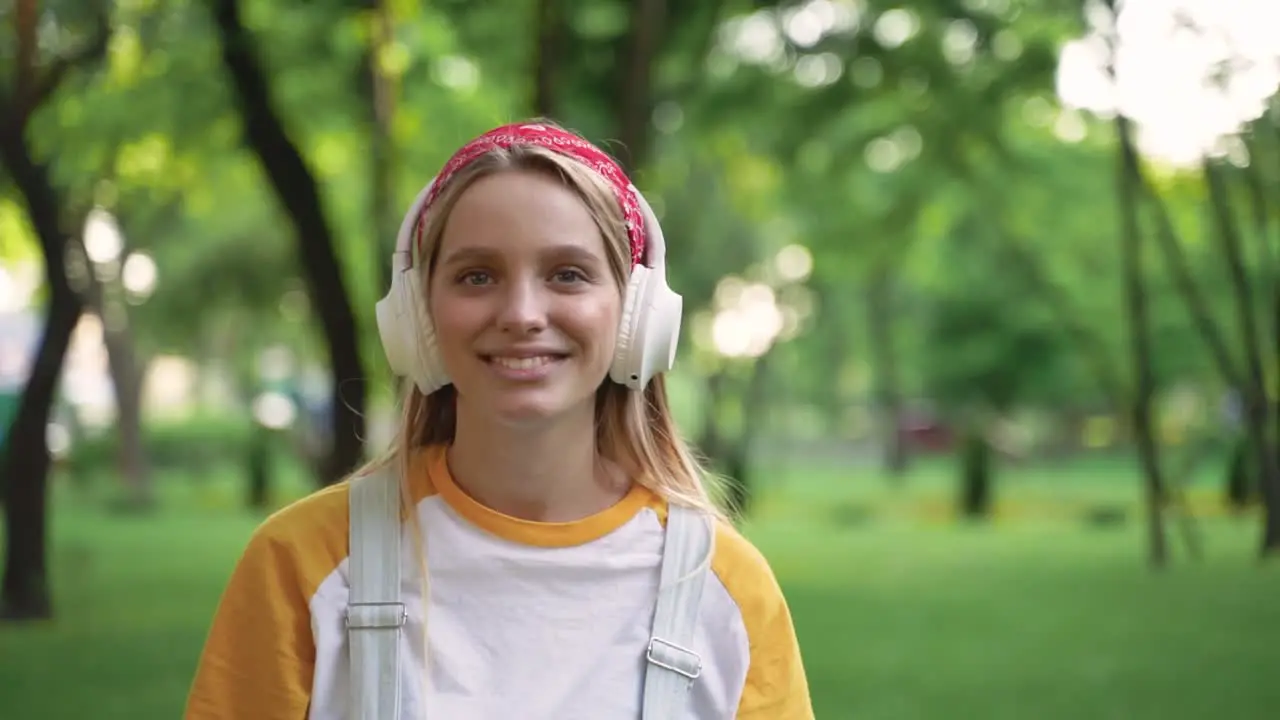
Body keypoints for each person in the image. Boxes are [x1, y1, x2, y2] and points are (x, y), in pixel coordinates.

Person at [184, 120, 813, 719]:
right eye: (476, 275)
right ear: (418, 318)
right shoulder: (303, 563)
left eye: (568, 274)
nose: (521, 312)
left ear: (635, 317)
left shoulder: (724, 589)